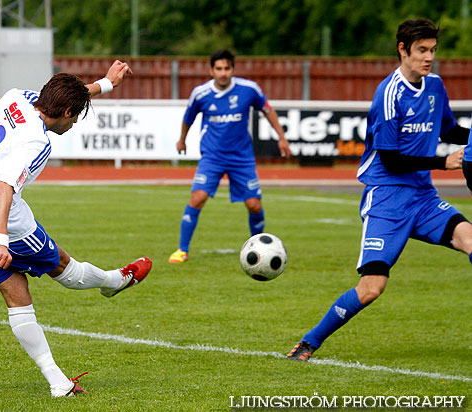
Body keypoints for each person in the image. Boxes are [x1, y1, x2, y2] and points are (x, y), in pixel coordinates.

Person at [0, 61, 152, 397]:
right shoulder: (38, 143)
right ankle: (114, 281)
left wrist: (107, 84)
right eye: (76, 116)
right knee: (62, 267)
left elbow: (72, 96)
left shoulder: (17, 97)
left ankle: (58, 383)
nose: (73, 123)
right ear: (67, 111)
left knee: (16, 293)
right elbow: (2, 188)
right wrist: (0, 241)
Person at [287, 19, 471, 361]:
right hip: (386, 197)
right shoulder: (388, 94)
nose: (429, 57)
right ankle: (308, 342)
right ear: (402, 50)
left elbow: (450, 129)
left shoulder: (435, 86)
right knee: (372, 288)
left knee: (471, 240)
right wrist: (444, 162)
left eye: (432, 50)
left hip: (423, 198)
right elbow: (390, 159)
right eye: (421, 50)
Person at [168, 49, 290, 264]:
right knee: (197, 198)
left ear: (233, 70)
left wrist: (281, 137)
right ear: (211, 70)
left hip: (242, 158)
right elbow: (188, 118)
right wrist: (182, 139)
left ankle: (258, 246)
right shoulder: (201, 94)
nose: (223, 73)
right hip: (212, 157)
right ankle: (182, 250)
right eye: (218, 69)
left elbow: (268, 110)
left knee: (254, 205)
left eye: (226, 68)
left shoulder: (248, 90)